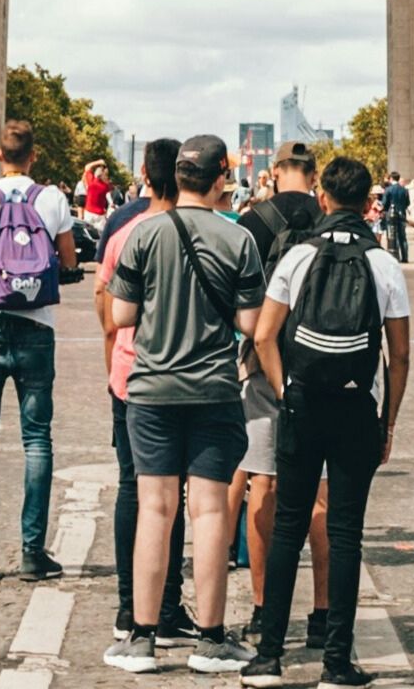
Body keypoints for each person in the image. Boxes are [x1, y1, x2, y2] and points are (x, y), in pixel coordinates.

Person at [243, 154, 412, 689]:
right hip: (356, 407)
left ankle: (269, 657)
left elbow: (264, 336)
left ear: (323, 199)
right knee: (344, 532)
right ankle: (337, 664)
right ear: (368, 205)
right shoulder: (383, 263)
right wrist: (387, 421)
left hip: (302, 405)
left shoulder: (298, 257)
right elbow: (401, 355)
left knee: (289, 527)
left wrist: (284, 390)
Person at [104, 134, 262, 675]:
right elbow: (248, 324)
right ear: (221, 176)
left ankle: (142, 639)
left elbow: (121, 315)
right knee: (211, 511)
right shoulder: (239, 240)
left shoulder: (143, 235)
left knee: (155, 508)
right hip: (214, 390)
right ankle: (212, 639)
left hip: (150, 392)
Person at [0, 119, 78, 585]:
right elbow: (67, 260)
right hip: (35, 327)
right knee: (37, 439)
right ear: (34, 155)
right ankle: (31, 552)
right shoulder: (53, 199)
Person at [234, 143, 332, 653]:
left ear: (274, 174)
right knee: (319, 496)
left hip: (263, 366)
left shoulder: (252, 222)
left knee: (263, 488)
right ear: (314, 177)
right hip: (322, 370)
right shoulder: (329, 221)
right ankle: (321, 617)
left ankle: (259, 608)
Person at [97, 139, 195, 647]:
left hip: (129, 374)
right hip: (181, 379)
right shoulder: (202, 232)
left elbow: (107, 303)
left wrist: (112, 357)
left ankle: (127, 606)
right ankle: (169, 604)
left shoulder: (123, 231)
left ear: (143, 173)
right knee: (171, 495)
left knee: (133, 488)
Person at [376, 172, 410, 265]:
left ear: (391, 178)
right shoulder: (404, 190)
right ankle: (405, 256)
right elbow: (407, 203)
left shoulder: (389, 190)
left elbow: (384, 203)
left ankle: (395, 255)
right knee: (403, 236)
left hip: (390, 216)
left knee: (392, 236)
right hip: (402, 214)